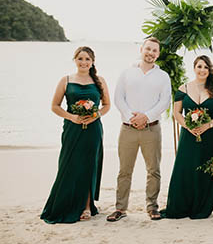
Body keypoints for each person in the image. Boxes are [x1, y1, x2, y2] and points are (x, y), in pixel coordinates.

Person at [41, 46, 110, 223]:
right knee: (69, 165)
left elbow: (107, 105)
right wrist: (72, 117)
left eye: (87, 59)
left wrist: (95, 115)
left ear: (92, 61)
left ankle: (87, 206)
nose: (84, 62)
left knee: (89, 165)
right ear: (75, 60)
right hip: (72, 129)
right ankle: (65, 202)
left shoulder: (100, 81)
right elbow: (55, 106)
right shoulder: (65, 80)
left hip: (93, 130)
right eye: (80, 59)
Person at [107, 37, 171, 222]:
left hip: (152, 129)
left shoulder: (163, 76)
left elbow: (165, 101)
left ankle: (152, 207)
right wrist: (131, 118)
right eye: (148, 49)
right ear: (141, 49)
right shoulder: (127, 73)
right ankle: (120, 208)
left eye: (155, 51)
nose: (151, 53)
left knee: (153, 170)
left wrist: (146, 117)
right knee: (125, 170)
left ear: (158, 54)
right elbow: (119, 98)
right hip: (128, 129)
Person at [160, 55, 213, 219]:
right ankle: (182, 205)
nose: (202, 70)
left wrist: (207, 125)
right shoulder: (183, 89)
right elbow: (176, 113)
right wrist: (188, 126)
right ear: (194, 68)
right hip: (189, 135)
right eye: (199, 66)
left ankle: (202, 206)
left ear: (209, 70)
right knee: (185, 167)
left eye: (205, 67)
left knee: (206, 169)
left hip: (210, 136)